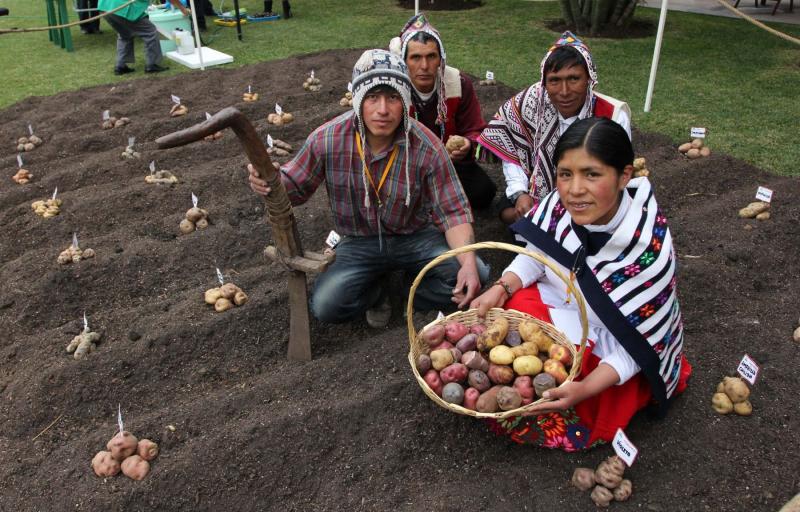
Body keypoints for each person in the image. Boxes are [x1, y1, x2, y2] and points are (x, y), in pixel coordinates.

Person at [470, 118, 691, 451]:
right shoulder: (562, 204)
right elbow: (536, 256)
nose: (574, 190)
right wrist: (502, 286)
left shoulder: (647, 248)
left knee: (582, 393)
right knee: (506, 316)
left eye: (592, 174)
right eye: (565, 174)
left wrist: (585, 389)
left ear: (624, 176)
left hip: (610, 344)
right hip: (560, 309)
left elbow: (636, 344)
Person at [248, 49, 489, 328]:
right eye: (373, 97)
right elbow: (294, 187)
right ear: (359, 100)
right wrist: (270, 181)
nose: (383, 110)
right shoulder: (328, 139)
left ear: (405, 101)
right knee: (327, 305)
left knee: (477, 273)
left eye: (393, 97)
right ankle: (376, 293)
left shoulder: (426, 145)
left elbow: (453, 211)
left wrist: (468, 264)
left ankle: (413, 294)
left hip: (414, 236)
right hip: (359, 241)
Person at [478, 32, 631, 225]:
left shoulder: (613, 116)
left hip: (588, 195)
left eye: (574, 79)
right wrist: (520, 193)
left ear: (589, 79)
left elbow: (614, 174)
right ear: (544, 82)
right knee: (507, 211)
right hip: (538, 191)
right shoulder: (531, 101)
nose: (564, 91)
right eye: (554, 80)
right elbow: (513, 147)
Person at [389, 13, 496, 210]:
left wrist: (467, 144)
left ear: (441, 59)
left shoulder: (458, 83)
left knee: (484, 191)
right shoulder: (394, 90)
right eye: (415, 57)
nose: (424, 66)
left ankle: (434, 199)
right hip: (406, 166)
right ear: (404, 61)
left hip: (449, 165)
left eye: (431, 56)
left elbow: (475, 130)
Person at [98, 0, 189, 75]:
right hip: (122, 7)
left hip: (105, 6)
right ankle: (152, 65)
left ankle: (120, 66)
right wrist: (183, 9)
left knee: (124, 34)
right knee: (150, 32)